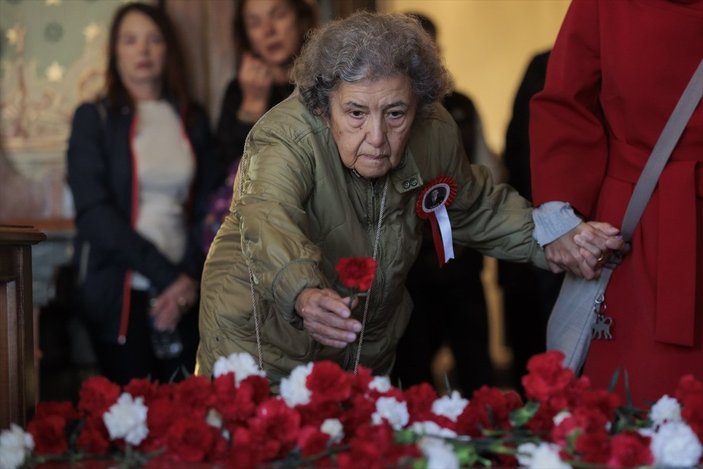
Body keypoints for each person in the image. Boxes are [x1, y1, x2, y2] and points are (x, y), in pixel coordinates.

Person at [195, 11, 622, 383]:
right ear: (325, 108)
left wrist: (552, 238)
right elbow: (269, 218)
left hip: (361, 341)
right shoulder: (285, 136)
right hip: (260, 340)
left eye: (395, 113)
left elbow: (473, 206)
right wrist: (303, 292)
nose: (377, 138)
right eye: (357, 113)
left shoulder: (433, 132)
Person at [529, 0, 703, 406]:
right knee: (631, 399)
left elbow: (565, 105)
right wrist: (561, 217)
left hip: (635, 214)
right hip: (636, 227)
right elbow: (565, 103)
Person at [66, 2, 216, 385]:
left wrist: (188, 280)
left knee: (189, 418)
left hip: (184, 292)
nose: (143, 50)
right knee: (131, 420)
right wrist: (168, 276)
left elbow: (210, 210)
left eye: (154, 39)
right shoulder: (93, 119)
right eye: (130, 40)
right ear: (115, 51)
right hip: (121, 293)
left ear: (168, 49)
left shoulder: (191, 119)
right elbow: (95, 215)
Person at [391, 12, 504, 395]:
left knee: (477, 372)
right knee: (413, 376)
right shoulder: (385, 112)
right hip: (407, 272)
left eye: (430, 49)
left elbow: (491, 175)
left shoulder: (460, 107)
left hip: (460, 261)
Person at [203, 0, 318, 251]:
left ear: (299, 19)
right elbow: (229, 172)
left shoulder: (324, 80)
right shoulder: (238, 90)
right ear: (247, 35)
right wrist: (253, 103)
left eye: (278, 15)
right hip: (262, 235)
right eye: (254, 23)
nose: (268, 30)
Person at [498, 49, 563, 395]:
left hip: (548, 218)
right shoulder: (547, 65)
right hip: (548, 221)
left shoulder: (546, 63)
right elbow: (520, 150)